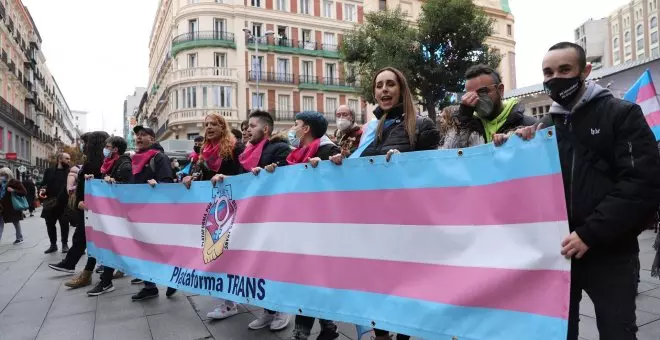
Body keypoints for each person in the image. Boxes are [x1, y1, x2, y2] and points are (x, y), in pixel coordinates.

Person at [496, 42, 660, 340]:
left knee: (617, 332)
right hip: (558, 253)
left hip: (611, 253)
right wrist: (515, 150)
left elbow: (642, 184)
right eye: (548, 72)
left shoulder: (622, 114)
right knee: (558, 333)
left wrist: (590, 234)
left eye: (564, 70)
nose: (555, 77)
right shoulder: (546, 126)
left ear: (585, 71)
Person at [326, 66, 439, 340]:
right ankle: (381, 335)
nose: (384, 90)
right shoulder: (371, 129)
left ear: (401, 89)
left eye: (390, 84)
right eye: (379, 86)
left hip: (408, 224)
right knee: (378, 285)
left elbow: (435, 177)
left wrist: (406, 165)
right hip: (375, 224)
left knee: (406, 288)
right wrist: (336, 165)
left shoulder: (423, 126)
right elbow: (360, 169)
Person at [252, 111, 341, 340]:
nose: (293, 128)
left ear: (306, 129)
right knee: (308, 276)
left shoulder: (328, 151)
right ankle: (328, 325)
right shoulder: (294, 157)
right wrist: (272, 171)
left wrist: (330, 166)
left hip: (321, 226)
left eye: (296, 124)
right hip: (299, 224)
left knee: (309, 276)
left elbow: (341, 184)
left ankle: (301, 332)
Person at [230, 110, 291, 330]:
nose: (247, 129)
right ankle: (267, 310)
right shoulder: (246, 153)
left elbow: (290, 176)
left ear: (265, 129)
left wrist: (272, 172)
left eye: (252, 126)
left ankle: (283, 309)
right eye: (247, 126)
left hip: (274, 216)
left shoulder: (279, 149)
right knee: (258, 265)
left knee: (274, 264)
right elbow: (239, 181)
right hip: (251, 217)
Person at [181, 113, 246, 319]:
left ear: (222, 127)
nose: (209, 127)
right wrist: (190, 178)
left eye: (214, 124)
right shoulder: (204, 152)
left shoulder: (236, 148)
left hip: (237, 206)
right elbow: (203, 177)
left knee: (236, 251)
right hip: (215, 209)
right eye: (206, 124)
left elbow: (246, 174)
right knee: (218, 252)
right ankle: (229, 302)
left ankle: (266, 304)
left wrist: (227, 178)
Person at [48, 131, 110, 291]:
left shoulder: (98, 164)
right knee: (83, 236)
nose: (83, 145)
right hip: (86, 206)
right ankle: (76, 267)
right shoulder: (92, 162)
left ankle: (87, 271)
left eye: (85, 142)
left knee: (87, 237)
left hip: (90, 207)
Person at [130, 125, 178, 301]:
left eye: (143, 135)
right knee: (144, 249)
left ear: (153, 139)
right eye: (137, 135)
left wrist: (156, 184)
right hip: (139, 212)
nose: (139, 138)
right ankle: (149, 286)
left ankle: (173, 279)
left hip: (156, 213)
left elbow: (167, 182)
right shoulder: (136, 159)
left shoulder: (159, 157)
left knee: (161, 248)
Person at [87, 136, 134, 296]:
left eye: (107, 146)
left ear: (115, 149)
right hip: (113, 213)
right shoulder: (111, 164)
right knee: (112, 246)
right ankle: (107, 279)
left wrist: (114, 183)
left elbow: (129, 188)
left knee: (114, 245)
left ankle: (107, 281)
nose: (105, 149)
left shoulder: (124, 164)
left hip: (120, 213)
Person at [458, 64, 537, 144]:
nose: (476, 98)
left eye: (483, 91)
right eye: (470, 94)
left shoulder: (528, 125)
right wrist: (464, 117)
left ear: (500, 90)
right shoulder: (469, 124)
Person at [40, 152, 71, 254]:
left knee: (64, 224)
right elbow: (43, 184)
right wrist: (42, 192)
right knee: (50, 224)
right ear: (59, 159)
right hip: (50, 202)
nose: (69, 161)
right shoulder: (49, 171)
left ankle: (65, 245)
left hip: (64, 203)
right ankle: (53, 245)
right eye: (67, 158)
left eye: (69, 159)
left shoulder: (70, 172)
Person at [0, 167, 27, 245]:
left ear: (8, 174)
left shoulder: (15, 182)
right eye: (1, 174)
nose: (2, 176)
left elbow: (24, 192)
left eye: (3, 174)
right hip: (1, 206)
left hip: (12, 206)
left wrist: (14, 190)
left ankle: (19, 237)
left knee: (15, 222)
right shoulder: (0, 183)